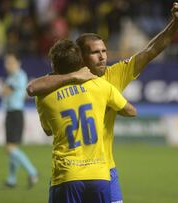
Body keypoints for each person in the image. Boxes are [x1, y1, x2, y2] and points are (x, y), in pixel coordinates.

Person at [27, 2, 178, 202]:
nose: (103, 57)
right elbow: (33, 88)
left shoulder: (113, 75)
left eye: (104, 51)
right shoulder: (63, 81)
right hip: (79, 171)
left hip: (105, 170)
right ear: (81, 57)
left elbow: (150, 51)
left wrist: (175, 24)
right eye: (96, 52)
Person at [36, 39, 137, 203]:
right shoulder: (100, 86)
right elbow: (131, 111)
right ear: (80, 62)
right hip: (100, 175)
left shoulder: (44, 95)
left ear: (54, 65)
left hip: (67, 174)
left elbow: (48, 130)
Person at [2, 52, 38, 189]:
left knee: (10, 148)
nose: (7, 65)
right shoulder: (12, 77)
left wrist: (4, 88)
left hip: (15, 114)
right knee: (11, 148)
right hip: (11, 113)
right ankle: (11, 180)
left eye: (10, 62)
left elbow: (6, 91)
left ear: (18, 63)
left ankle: (33, 172)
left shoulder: (19, 76)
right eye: (6, 62)